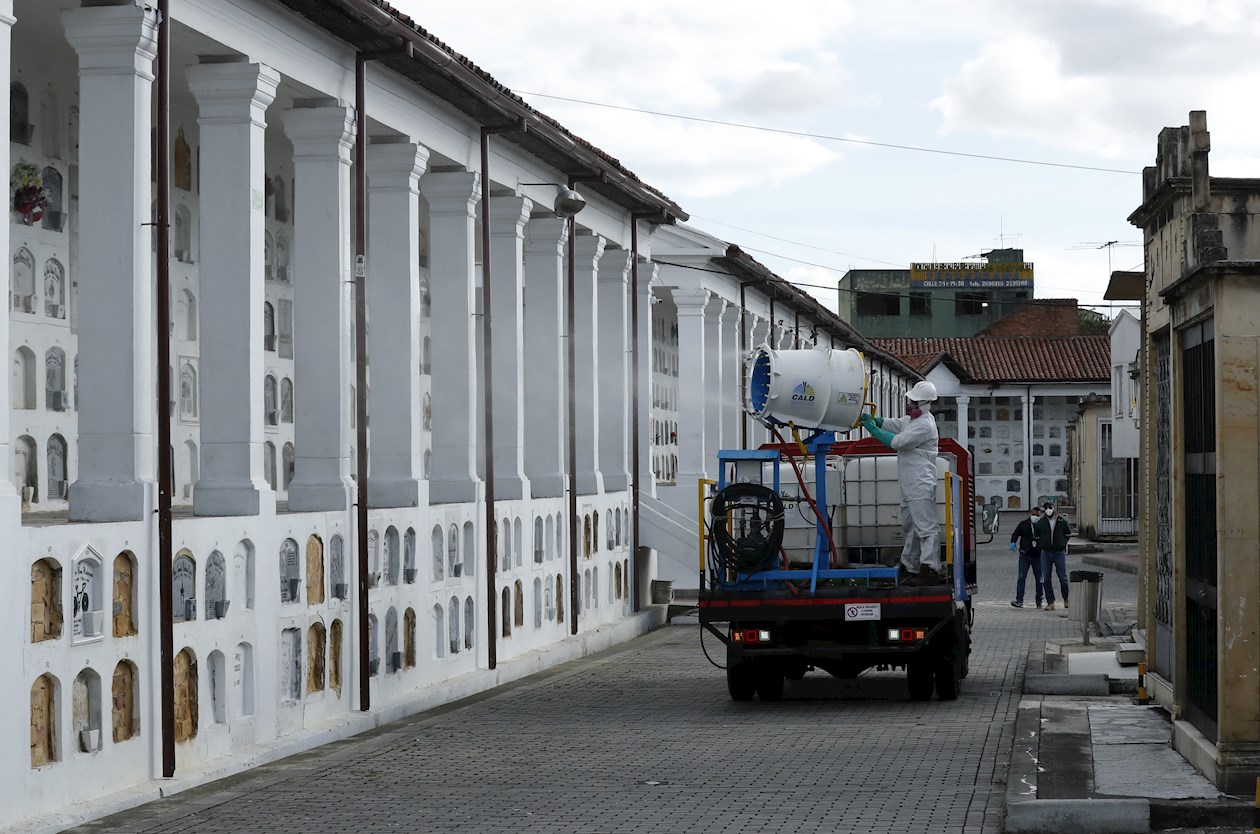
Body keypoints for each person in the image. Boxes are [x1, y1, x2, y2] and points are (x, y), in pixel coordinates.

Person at [859, 380, 941, 586]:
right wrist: (876, 420)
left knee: (926, 527)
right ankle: (910, 565)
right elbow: (894, 423)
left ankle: (930, 568)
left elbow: (898, 442)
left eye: (913, 401)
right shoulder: (912, 420)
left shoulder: (924, 425)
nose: (909, 403)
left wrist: (872, 429)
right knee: (911, 526)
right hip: (909, 481)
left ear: (923, 404)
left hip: (920, 481)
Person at [1035, 500, 1071, 610]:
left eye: (1050, 507)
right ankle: (1050, 602)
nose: (1048, 510)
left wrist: (1062, 543)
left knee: (1063, 577)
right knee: (1046, 578)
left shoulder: (1061, 521)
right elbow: (1037, 536)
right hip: (1045, 553)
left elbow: (1068, 533)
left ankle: (1066, 599)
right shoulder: (1041, 522)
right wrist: (1042, 544)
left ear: (1054, 508)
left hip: (1059, 552)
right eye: (1046, 508)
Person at [1009, 506, 1043, 608]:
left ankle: (1039, 601)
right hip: (1025, 555)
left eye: (1037, 515)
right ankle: (1019, 600)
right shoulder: (1024, 524)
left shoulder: (1042, 525)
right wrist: (1013, 542)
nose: (1035, 517)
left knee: (1039, 579)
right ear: (1030, 514)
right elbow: (1015, 534)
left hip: (1038, 556)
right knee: (1021, 577)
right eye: (1033, 515)